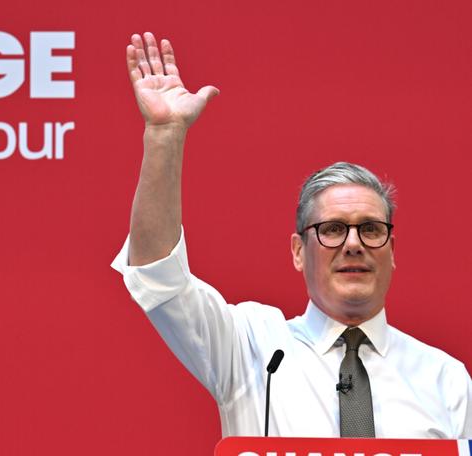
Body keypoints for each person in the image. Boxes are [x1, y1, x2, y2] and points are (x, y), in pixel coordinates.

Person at [111, 32, 472, 439]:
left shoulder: (447, 381)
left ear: (391, 250)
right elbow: (158, 275)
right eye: (333, 229)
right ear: (299, 251)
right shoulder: (253, 347)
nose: (353, 243)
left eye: (371, 229)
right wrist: (165, 135)